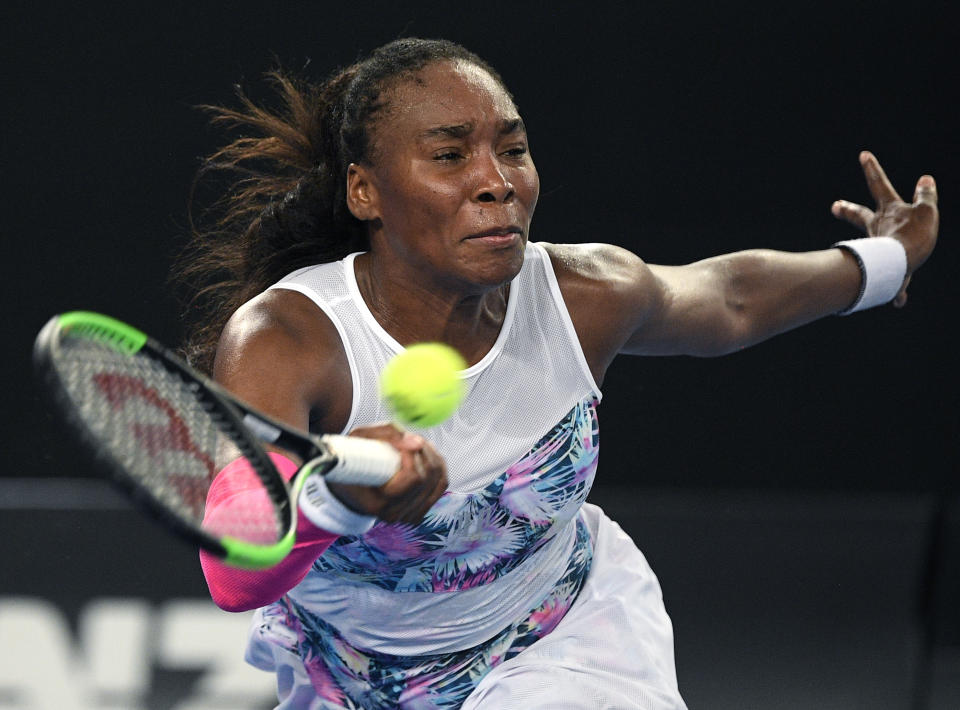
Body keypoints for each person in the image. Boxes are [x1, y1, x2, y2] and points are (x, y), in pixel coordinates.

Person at [176, 38, 939, 709]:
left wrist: (888, 258)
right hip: (353, 679)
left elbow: (731, 298)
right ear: (364, 190)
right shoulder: (290, 340)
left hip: (568, 640)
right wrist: (338, 503)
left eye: (511, 149)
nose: (496, 181)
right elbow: (233, 575)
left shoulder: (584, 296)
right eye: (450, 156)